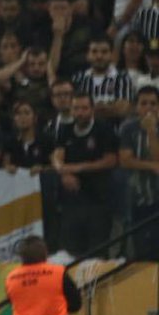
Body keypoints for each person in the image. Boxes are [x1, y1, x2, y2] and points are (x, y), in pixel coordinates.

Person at [51, 92, 119, 258]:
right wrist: (63, 172)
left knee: (97, 253)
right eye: (76, 108)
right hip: (72, 202)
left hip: (99, 200)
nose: (80, 112)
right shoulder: (65, 130)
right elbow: (57, 156)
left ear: (92, 109)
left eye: (84, 108)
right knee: (70, 252)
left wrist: (77, 168)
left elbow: (111, 161)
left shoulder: (104, 129)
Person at [4, 235, 81, 315]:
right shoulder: (58, 273)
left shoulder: (11, 278)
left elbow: (13, 303)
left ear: (22, 256)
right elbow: (76, 304)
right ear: (45, 253)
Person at [118, 85, 159, 258]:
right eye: (143, 103)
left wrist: (151, 132)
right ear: (136, 107)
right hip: (136, 197)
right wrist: (151, 166)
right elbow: (125, 160)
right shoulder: (128, 127)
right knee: (139, 248)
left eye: (153, 103)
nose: (148, 108)